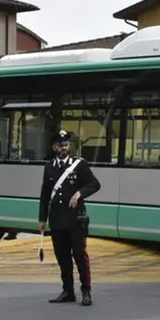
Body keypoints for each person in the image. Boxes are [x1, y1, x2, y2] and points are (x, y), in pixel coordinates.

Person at [38, 130, 101, 306]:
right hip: (57, 219)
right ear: (54, 147)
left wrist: (79, 193)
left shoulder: (79, 165)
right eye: (60, 146)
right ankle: (68, 291)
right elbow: (45, 194)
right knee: (62, 256)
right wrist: (42, 219)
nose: (64, 148)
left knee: (80, 255)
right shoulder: (49, 167)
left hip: (75, 219)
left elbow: (95, 184)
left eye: (66, 145)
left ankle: (86, 291)